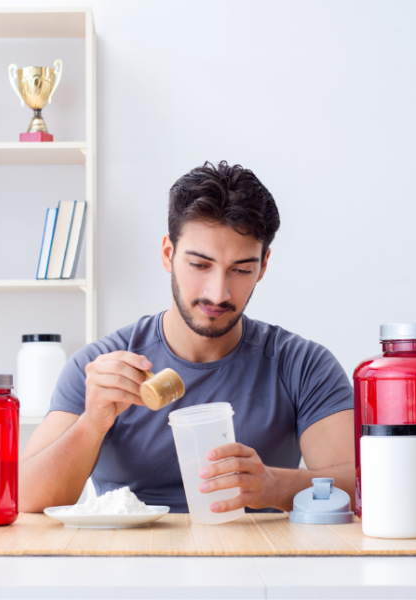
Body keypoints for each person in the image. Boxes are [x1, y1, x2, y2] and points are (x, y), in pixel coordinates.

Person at [19, 161, 355, 514]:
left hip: (255, 563)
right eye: (200, 265)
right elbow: (26, 499)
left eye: (241, 270)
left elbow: (362, 484)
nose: (218, 293)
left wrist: (275, 486)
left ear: (263, 266)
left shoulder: (301, 365)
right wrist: (92, 424)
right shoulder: (100, 367)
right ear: (169, 254)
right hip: (129, 562)